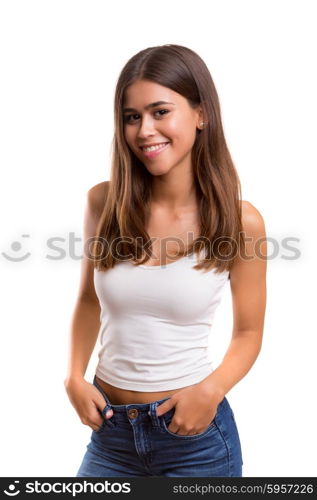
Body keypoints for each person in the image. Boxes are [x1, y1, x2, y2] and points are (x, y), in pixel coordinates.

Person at [64, 44, 267, 477]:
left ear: (201, 114)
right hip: (110, 436)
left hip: (194, 440)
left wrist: (210, 391)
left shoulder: (239, 221)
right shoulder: (103, 203)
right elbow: (87, 301)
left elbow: (248, 332)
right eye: (132, 117)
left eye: (160, 112)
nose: (144, 131)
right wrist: (74, 377)